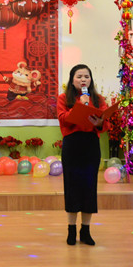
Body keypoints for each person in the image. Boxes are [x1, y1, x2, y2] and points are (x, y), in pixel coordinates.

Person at [56, 64, 108, 246]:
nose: (83, 79)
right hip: (72, 145)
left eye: (87, 76)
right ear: (72, 80)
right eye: (79, 76)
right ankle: (71, 230)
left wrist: (99, 122)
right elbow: (63, 119)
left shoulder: (98, 99)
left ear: (91, 79)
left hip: (90, 145)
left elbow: (105, 124)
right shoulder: (64, 98)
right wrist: (81, 105)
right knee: (72, 187)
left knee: (89, 187)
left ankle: (85, 230)